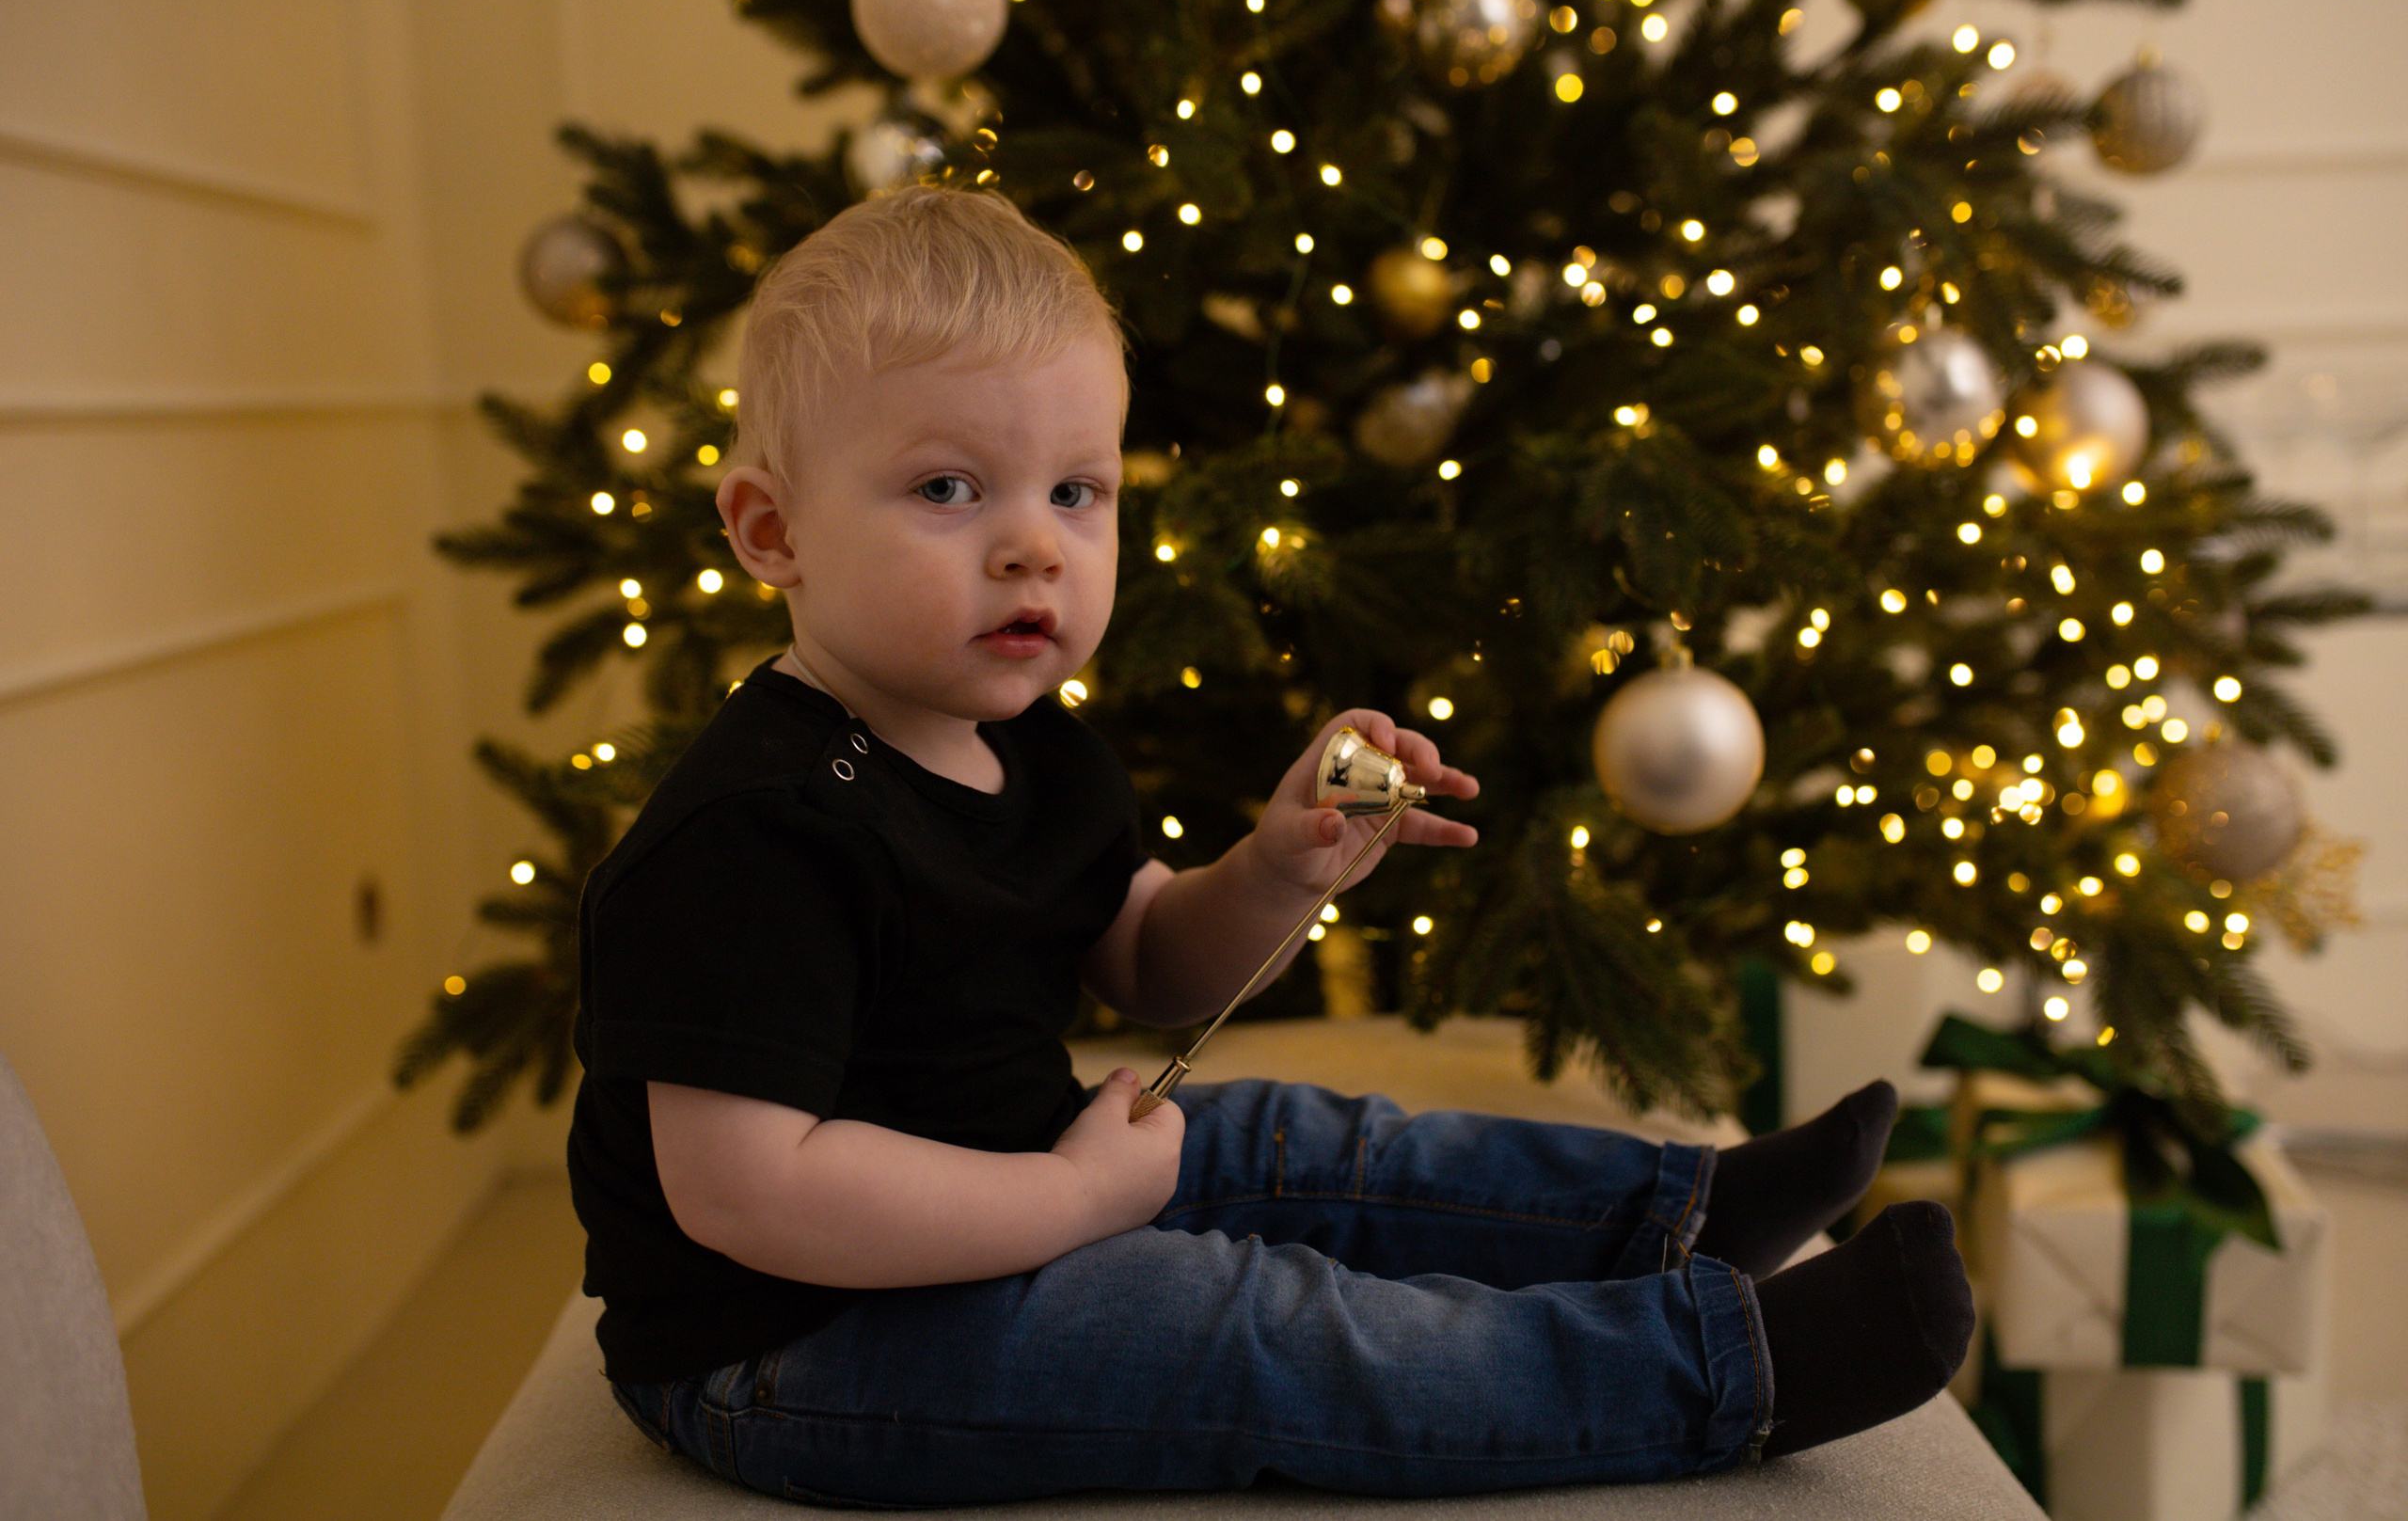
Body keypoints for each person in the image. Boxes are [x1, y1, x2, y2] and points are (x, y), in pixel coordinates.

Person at [568, 185, 1973, 1507]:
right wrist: (1063, 1198)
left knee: (1294, 1141)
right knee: (1233, 1323)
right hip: (794, 1343)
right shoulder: (755, 827)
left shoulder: (1035, 746)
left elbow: (1149, 963)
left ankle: (1675, 1218)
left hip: (1002, 1189)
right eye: (948, 490)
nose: (1034, 550)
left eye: (1077, 493)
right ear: (772, 530)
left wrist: (1276, 870)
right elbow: (752, 1192)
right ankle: (1720, 1371)